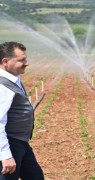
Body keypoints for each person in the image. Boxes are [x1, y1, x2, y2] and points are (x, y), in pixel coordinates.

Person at [0, 42, 44, 179]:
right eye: (21, 60)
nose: (27, 63)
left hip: (21, 143)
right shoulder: (2, 86)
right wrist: (5, 155)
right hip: (9, 144)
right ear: (5, 62)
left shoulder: (14, 78)